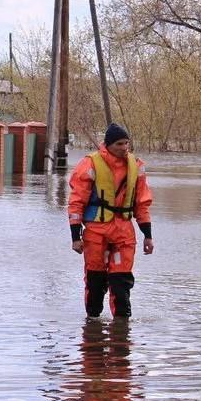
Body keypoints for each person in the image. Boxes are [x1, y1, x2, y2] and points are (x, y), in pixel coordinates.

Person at [67, 123, 153, 318]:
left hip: (123, 232)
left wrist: (148, 235)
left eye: (127, 143)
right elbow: (76, 202)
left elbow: (142, 203)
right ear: (108, 145)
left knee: (121, 283)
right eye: (119, 144)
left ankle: (121, 334)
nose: (124, 148)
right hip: (96, 232)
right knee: (95, 283)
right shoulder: (90, 164)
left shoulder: (136, 166)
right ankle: (93, 327)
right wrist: (75, 236)